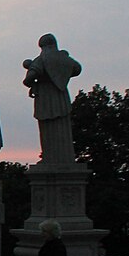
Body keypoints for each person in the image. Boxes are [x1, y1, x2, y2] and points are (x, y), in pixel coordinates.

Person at [22, 33, 83, 163]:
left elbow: (28, 79)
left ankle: (50, 158)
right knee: (63, 127)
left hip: (45, 96)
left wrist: (35, 82)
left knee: (47, 129)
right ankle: (65, 158)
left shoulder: (42, 58)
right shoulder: (63, 58)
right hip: (61, 96)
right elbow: (77, 69)